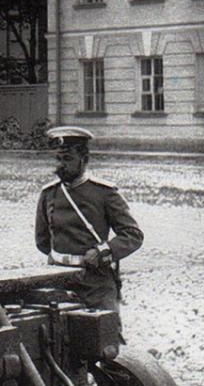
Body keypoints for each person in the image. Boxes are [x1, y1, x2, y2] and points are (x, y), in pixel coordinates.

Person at [35, 126, 143, 320]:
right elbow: (42, 241)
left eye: (67, 159)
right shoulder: (49, 193)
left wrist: (103, 252)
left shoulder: (104, 193)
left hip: (95, 283)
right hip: (58, 280)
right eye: (58, 159)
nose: (60, 165)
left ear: (84, 160)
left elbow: (133, 235)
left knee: (104, 333)